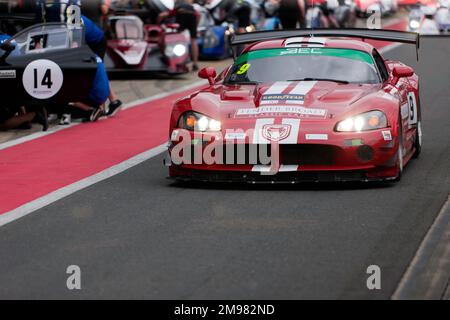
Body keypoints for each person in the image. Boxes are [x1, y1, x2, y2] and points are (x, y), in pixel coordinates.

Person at [158, 0, 200, 71]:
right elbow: (198, 15)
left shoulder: (177, 5)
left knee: (178, 37)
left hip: (181, 13)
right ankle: (195, 63)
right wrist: (196, 26)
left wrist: (158, 24)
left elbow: (161, 15)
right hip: (193, 15)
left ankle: (179, 61)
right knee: (193, 40)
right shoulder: (191, 6)